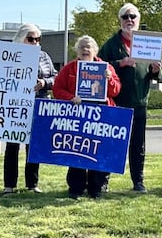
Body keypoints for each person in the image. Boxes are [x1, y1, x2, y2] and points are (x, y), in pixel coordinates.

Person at [98, 3, 162, 193]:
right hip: (117, 102)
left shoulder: (147, 43)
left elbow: (154, 74)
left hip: (139, 102)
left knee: (138, 145)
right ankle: (103, 182)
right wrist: (120, 63)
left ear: (138, 20)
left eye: (133, 16)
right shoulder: (111, 44)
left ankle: (138, 181)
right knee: (112, 143)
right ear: (120, 20)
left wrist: (155, 70)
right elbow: (99, 67)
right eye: (125, 17)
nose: (129, 20)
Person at [52, 35, 121, 199]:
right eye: (82, 46)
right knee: (77, 151)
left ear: (95, 50)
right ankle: (76, 187)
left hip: (101, 114)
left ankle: (96, 187)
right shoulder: (69, 68)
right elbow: (57, 89)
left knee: (99, 150)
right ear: (77, 50)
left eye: (88, 46)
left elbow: (116, 90)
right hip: (77, 115)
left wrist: (109, 80)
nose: (85, 49)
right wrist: (70, 97)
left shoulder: (106, 68)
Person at [2, 23, 57, 195]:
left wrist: (44, 83)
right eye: (31, 39)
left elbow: (55, 77)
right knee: (12, 145)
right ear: (21, 38)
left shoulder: (44, 56)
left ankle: (32, 184)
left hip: (38, 104)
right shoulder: (9, 55)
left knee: (33, 146)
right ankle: (9, 185)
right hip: (15, 105)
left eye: (38, 39)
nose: (35, 42)